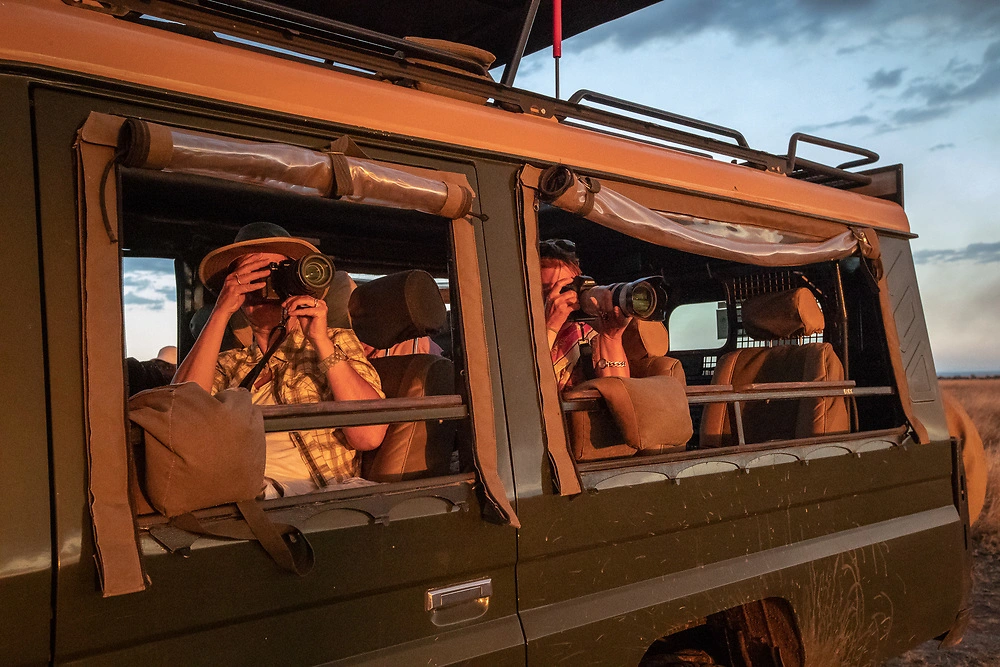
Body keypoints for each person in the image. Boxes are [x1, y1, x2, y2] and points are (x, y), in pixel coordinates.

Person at [173, 222, 388, 499]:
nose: (265, 286)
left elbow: (368, 436)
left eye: (277, 275)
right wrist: (221, 311)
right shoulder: (227, 363)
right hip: (230, 491)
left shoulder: (334, 341)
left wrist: (321, 342)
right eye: (251, 276)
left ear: (298, 283)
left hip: (308, 498)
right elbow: (177, 418)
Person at [539, 239, 631, 389]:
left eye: (569, 287)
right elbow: (523, 386)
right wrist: (550, 326)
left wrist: (611, 338)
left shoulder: (588, 332)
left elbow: (620, 393)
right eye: (552, 290)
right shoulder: (517, 336)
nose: (563, 297)